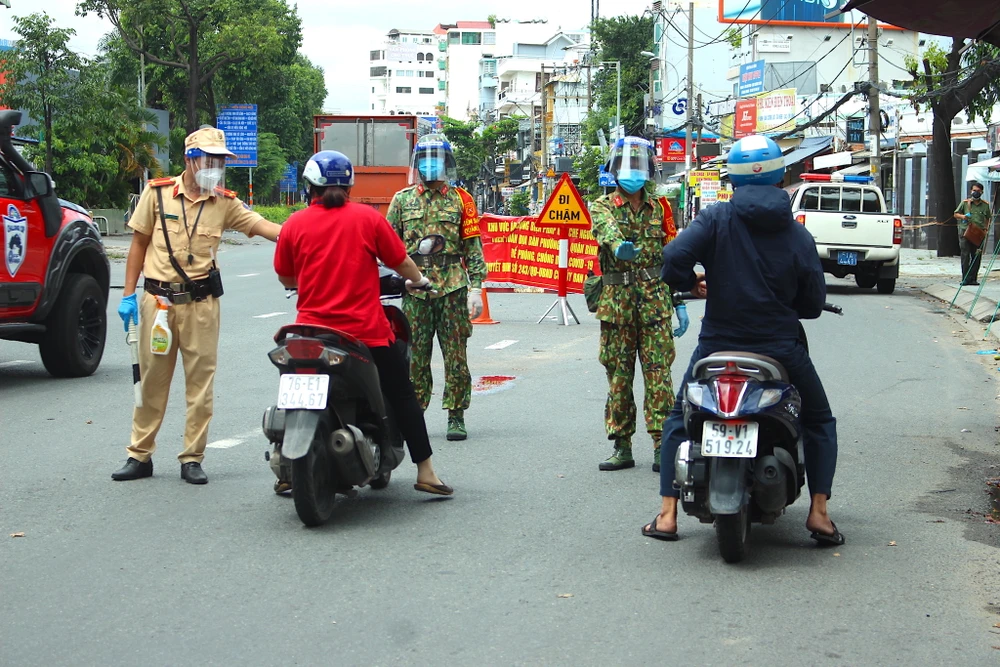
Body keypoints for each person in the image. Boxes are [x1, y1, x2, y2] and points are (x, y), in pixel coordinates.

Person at [642, 134, 843, 546]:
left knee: (678, 418)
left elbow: (674, 258)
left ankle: (667, 514)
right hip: (780, 349)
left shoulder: (715, 219)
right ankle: (820, 513)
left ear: (732, 179)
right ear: (780, 177)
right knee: (819, 421)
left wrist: (689, 282)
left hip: (717, 346)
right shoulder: (797, 234)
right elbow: (812, 303)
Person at [272, 150, 452, 496]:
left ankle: (285, 466)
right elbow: (401, 261)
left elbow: (285, 277)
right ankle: (426, 471)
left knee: (292, 389)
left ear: (309, 186)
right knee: (402, 394)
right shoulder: (367, 219)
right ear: (349, 186)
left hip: (309, 333)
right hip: (365, 333)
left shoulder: (294, 224)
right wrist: (420, 280)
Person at [113, 126, 282, 484]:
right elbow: (138, 244)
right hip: (158, 303)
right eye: (208, 159)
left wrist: (313, 230)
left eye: (220, 161)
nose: (215, 167)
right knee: (152, 382)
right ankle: (139, 455)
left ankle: (192, 457)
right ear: (189, 160)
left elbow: (266, 227)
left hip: (201, 305)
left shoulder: (224, 203)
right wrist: (128, 294)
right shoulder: (157, 194)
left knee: (200, 385)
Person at [589, 136, 687, 473]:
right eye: (627, 165)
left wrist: (678, 300)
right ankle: (622, 445)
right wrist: (618, 246)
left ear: (648, 170)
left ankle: (663, 445)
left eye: (638, 165)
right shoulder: (602, 206)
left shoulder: (661, 208)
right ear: (615, 170)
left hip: (655, 302)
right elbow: (606, 230)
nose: (633, 172)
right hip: (617, 304)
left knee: (659, 375)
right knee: (619, 376)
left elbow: (672, 256)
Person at [385, 134, 486, 441]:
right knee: (415, 358)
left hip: (453, 288)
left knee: (456, 356)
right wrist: (391, 280)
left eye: (435, 158)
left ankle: (456, 415)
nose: (430, 164)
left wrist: (476, 289)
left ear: (446, 163)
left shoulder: (462, 200)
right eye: (425, 159)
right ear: (417, 164)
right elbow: (387, 245)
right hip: (416, 289)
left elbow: (473, 247)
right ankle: (414, 416)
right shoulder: (402, 200)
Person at [954, 181, 992, 286]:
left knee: (976, 256)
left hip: (978, 233)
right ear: (971, 191)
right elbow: (956, 214)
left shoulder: (985, 205)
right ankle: (965, 278)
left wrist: (986, 229)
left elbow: (988, 218)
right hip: (965, 232)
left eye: (978, 191)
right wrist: (963, 216)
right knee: (965, 255)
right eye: (974, 190)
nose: (976, 192)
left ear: (982, 192)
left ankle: (973, 278)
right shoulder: (965, 203)